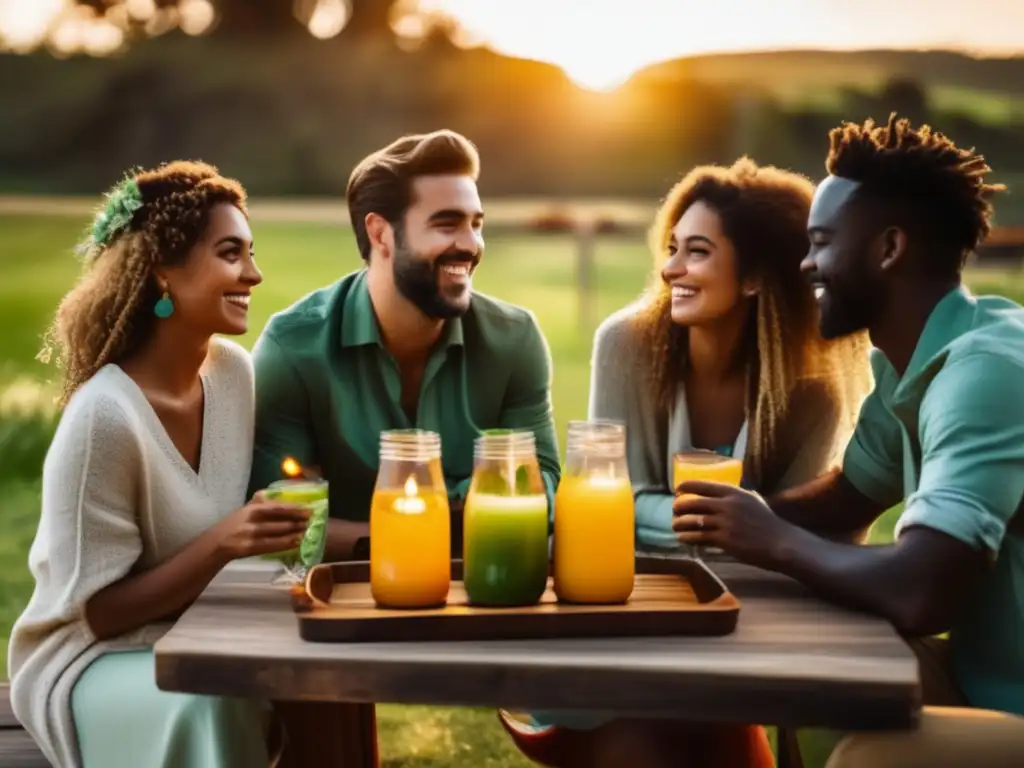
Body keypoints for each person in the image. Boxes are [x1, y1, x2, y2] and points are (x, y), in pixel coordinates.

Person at [499, 157, 874, 768]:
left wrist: (753, 533)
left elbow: (811, 545)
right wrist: (741, 525)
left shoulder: (812, 391)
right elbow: (601, 500)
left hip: (749, 627)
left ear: (754, 278)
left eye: (697, 252)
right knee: (639, 739)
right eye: (671, 248)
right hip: (629, 613)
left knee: (812, 720)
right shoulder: (626, 344)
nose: (671, 268)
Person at [675, 115, 1024, 766]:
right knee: (809, 672)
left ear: (889, 249)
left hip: (1012, 707)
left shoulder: (986, 372)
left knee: (865, 756)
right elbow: (847, 497)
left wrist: (769, 537)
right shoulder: (914, 362)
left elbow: (921, 590)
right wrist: (731, 516)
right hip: (983, 683)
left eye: (822, 242)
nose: (804, 263)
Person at [7, 161, 309, 768]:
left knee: (312, 679)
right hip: (91, 660)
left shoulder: (232, 374)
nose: (253, 273)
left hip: (196, 638)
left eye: (250, 252)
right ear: (164, 273)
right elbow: (98, 612)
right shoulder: (105, 420)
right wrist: (224, 543)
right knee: (213, 701)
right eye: (231, 254)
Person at [246, 129, 561, 559]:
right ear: (381, 234)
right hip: (339, 601)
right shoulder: (292, 351)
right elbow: (280, 524)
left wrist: (358, 528)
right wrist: (475, 498)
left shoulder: (515, 340)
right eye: (447, 224)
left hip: (486, 592)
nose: (470, 244)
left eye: (476, 224)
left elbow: (544, 491)